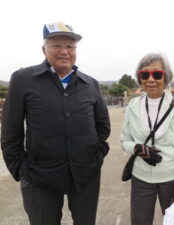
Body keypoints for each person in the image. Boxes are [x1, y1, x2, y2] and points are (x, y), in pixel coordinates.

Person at [1, 21, 110, 225]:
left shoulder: (91, 84)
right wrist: (21, 170)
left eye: (70, 46)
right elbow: (10, 132)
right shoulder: (23, 80)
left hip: (85, 174)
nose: (64, 51)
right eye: (56, 45)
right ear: (44, 49)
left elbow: (102, 127)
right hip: (39, 177)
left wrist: (96, 156)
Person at [120, 53, 174, 225]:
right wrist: (137, 148)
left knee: (173, 222)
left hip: (171, 179)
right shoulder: (133, 106)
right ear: (140, 78)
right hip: (141, 178)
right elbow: (124, 141)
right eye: (145, 75)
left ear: (166, 77)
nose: (151, 79)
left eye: (157, 74)